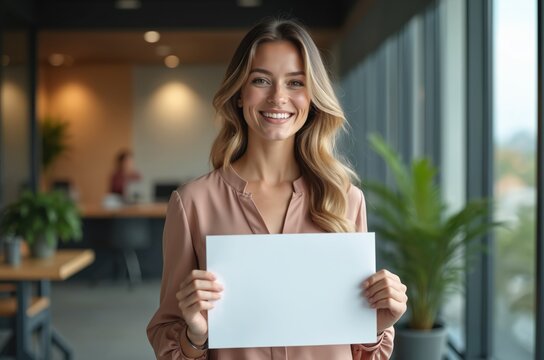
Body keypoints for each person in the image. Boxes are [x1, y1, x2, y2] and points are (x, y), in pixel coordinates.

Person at [147, 18, 408, 360]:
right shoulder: (192, 203)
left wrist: (376, 325)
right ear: (240, 94)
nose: (278, 97)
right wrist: (195, 334)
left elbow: (361, 353)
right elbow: (167, 340)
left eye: (296, 82)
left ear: (312, 97)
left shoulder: (344, 199)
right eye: (261, 80)